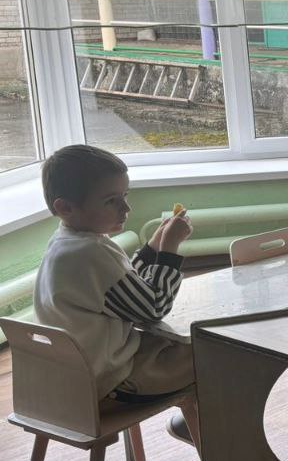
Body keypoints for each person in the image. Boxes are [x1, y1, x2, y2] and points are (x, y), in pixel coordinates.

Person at [33, 145, 198, 443]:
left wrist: (153, 247)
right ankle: (208, 427)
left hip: (78, 380)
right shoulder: (90, 252)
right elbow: (153, 307)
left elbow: (123, 289)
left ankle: (199, 421)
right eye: (111, 200)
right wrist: (170, 250)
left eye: (125, 195)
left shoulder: (67, 242)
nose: (126, 208)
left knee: (194, 347)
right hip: (111, 384)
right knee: (215, 352)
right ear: (66, 207)